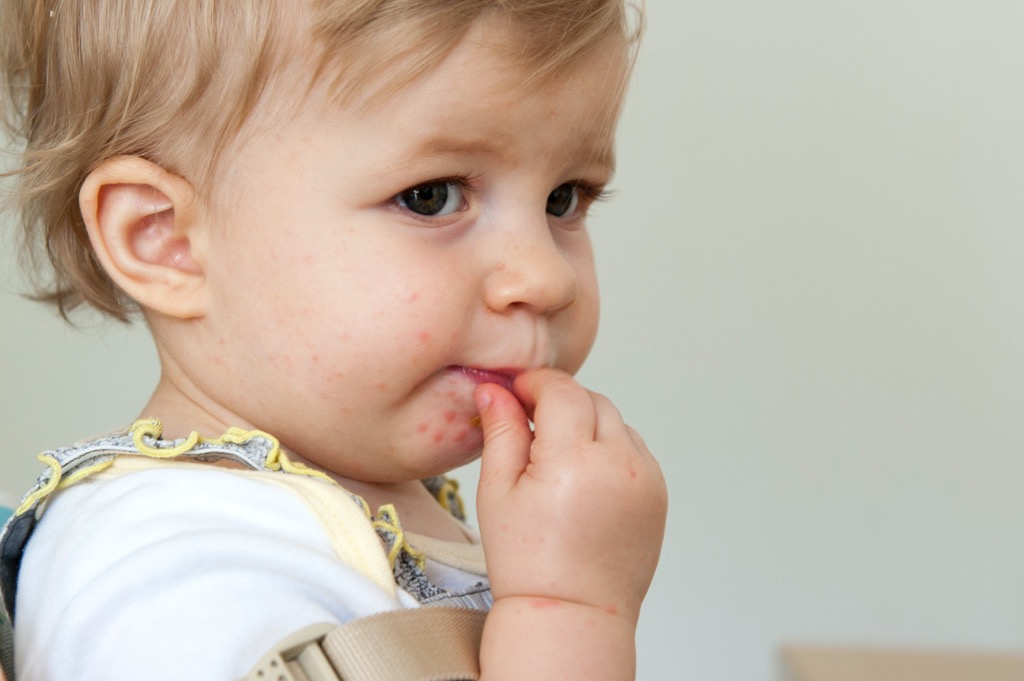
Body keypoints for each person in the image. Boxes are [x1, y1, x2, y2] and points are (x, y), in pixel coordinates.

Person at [0, 1, 668, 679]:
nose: (547, 278)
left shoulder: (361, 513)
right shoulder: (167, 564)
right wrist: (570, 613)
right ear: (167, 241)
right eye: (431, 196)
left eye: (564, 198)